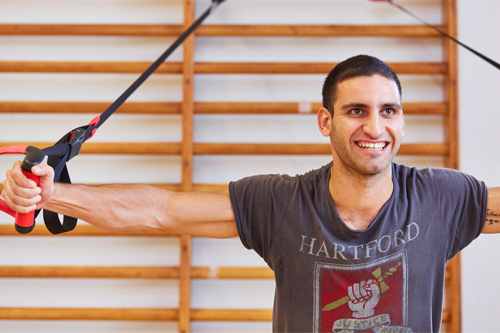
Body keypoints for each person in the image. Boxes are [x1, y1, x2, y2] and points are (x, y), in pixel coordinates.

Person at [2, 55, 500, 332]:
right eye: (357, 111)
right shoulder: (280, 204)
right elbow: (161, 211)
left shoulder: (442, 198)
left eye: (388, 111)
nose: (375, 126)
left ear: (402, 120)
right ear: (325, 121)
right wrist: (51, 195)